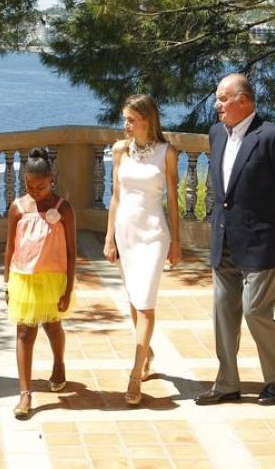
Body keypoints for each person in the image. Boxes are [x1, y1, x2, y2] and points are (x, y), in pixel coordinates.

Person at [195, 73, 275, 406]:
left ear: (245, 100)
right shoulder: (216, 134)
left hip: (263, 241)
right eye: (217, 98)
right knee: (223, 313)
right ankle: (227, 382)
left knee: (255, 310)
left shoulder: (271, 137)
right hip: (225, 239)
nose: (218, 105)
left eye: (224, 98)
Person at [103, 94, 181, 406]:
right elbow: (116, 197)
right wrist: (109, 237)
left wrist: (177, 242)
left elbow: (173, 201)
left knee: (146, 304)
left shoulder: (167, 152)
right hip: (125, 233)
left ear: (148, 120)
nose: (126, 126)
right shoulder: (120, 150)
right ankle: (146, 351)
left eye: (131, 120)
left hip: (153, 234)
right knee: (135, 301)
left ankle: (135, 374)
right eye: (125, 120)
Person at [4, 148, 76, 419]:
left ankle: (59, 364)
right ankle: (25, 393)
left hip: (53, 278)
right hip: (23, 278)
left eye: (41, 186)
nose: (35, 191)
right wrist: (6, 283)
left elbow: (71, 251)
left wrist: (68, 289)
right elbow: (10, 248)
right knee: (24, 332)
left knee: (53, 325)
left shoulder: (63, 209)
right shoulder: (17, 208)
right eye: (30, 186)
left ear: (52, 181)